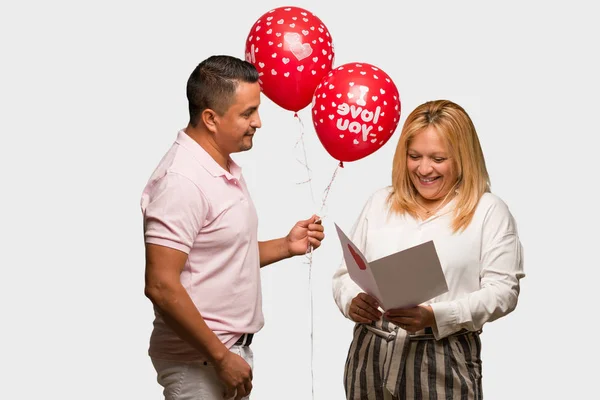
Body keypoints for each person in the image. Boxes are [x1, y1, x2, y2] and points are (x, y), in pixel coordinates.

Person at [141, 55, 325, 400]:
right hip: (201, 362)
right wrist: (222, 356)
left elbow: (219, 257)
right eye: (247, 113)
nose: (258, 122)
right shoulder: (182, 181)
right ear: (210, 118)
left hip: (222, 356)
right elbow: (160, 285)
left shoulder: (219, 166)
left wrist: (286, 245)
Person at [332, 99, 525, 399]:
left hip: (444, 359)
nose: (424, 169)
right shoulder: (380, 202)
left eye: (438, 158)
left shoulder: (489, 211)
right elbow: (345, 273)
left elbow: (503, 291)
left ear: (463, 158)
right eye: (414, 156)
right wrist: (350, 300)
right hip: (369, 356)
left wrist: (437, 315)